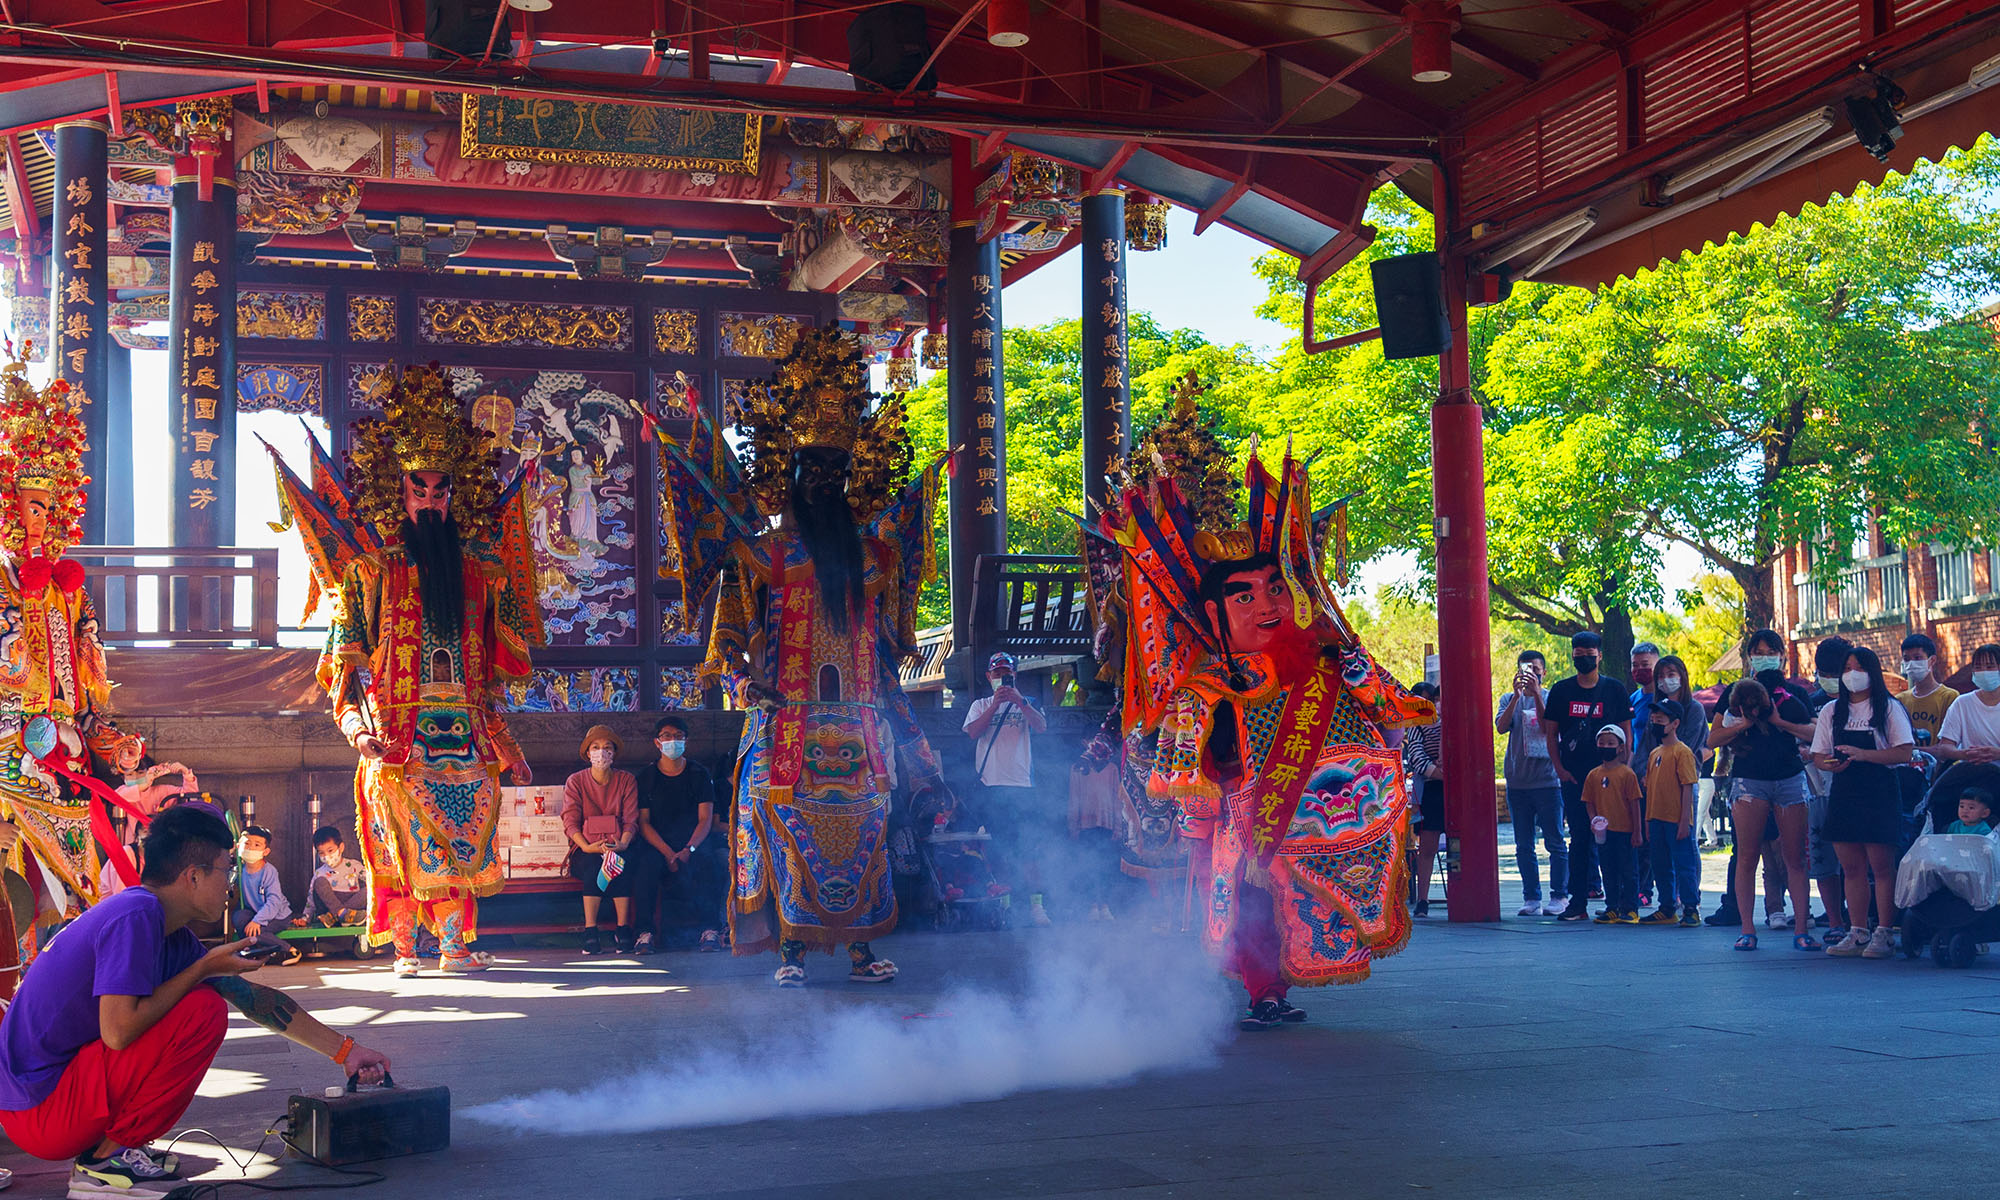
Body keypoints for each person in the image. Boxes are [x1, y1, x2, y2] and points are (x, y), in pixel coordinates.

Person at [665, 330, 951, 987]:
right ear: (792, 475)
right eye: (812, 471)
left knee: (866, 840)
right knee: (784, 833)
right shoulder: (766, 554)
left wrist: (917, 749)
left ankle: (859, 950)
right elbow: (729, 640)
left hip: (859, 726)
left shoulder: (874, 560)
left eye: (835, 472)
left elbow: (884, 663)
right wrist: (745, 683)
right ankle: (792, 952)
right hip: (785, 723)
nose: (824, 483)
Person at [1129, 437, 1432, 1028]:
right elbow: (1179, 758)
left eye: (1273, 588)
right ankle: (1262, 991)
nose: (1265, 604)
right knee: (1249, 908)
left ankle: (1276, 987)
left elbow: (1393, 709)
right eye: (1244, 595)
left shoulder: (1328, 663)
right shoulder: (1210, 684)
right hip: (1248, 817)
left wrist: (1359, 669)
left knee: (1295, 906)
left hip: (1320, 812)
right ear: (1215, 615)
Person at [271, 364, 540, 978]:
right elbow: (348, 661)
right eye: (419, 488)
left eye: (440, 490)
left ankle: (453, 944)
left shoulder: (479, 571)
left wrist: (505, 742)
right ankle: (406, 949)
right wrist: (356, 729)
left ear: (454, 492)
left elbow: (492, 677)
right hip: (399, 733)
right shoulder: (372, 569)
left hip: (467, 735)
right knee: (398, 845)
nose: (430, 499)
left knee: (463, 837)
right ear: (402, 490)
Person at [0, 804, 388, 1200]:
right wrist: (201, 970)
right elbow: (117, 1033)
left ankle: (111, 1151)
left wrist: (346, 1052)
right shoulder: (135, 914)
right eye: (227, 872)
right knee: (203, 1011)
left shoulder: (167, 930)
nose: (230, 886)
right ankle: (104, 1166)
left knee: (202, 1000)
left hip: (48, 1102)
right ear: (193, 876)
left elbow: (254, 1000)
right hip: (39, 1111)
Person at [0, 358, 144, 995]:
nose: (44, 524)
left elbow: (88, 689)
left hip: (65, 757)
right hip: (9, 758)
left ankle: (56, 995)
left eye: (54, 511)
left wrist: (108, 738)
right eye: (33, 508)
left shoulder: (71, 595)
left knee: (73, 892)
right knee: (17, 886)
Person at [1812, 646, 1914, 959]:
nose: (1852, 675)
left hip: (1878, 789)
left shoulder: (1888, 707)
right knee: (1851, 866)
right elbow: (1818, 754)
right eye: (1847, 668)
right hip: (1844, 790)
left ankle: (1885, 931)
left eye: (1859, 667)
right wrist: (1830, 764)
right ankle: (1857, 930)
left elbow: (1904, 752)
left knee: (1881, 866)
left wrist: (1864, 755)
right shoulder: (1831, 710)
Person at [1710, 661, 1819, 951]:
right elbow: (1713, 738)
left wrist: (1779, 722)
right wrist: (1744, 724)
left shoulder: (1792, 696)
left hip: (1789, 778)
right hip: (1749, 780)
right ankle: (1747, 928)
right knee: (1747, 856)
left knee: (1794, 857)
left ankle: (1800, 928)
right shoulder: (1734, 695)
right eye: (1758, 652)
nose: (1753, 707)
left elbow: (1815, 733)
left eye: (1770, 652)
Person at [1544, 631, 1632, 921]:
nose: (1584, 657)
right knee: (1580, 838)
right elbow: (1551, 733)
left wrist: (1624, 766)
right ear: (1572, 654)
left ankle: (1620, 902)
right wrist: (1559, 768)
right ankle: (1577, 902)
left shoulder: (1615, 689)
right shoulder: (1561, 690)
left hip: (1611, 778)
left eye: (1589, 652)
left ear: (1600, 655)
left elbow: (1626, 730)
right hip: (1574, 777)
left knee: (1616, 838)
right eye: (1578, 652)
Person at [963, 651, 1053, 926]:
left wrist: (1019, 701)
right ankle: (1006, 906)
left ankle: (1036, 906)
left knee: (1030, 850)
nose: (1002, 678)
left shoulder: (1029, 703)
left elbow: (1041, 727)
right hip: (992, 787)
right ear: (989, 677)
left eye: (1007, 673)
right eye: (997, 673)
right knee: (1000, 851)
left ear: (1015, 675)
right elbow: (972, 732)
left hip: (1023, 786)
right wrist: (995, 705)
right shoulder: (980, 704)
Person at [626, 715, 723, 955]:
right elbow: (644, 822)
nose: (673, 741)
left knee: (710, 862)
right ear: (657, 743)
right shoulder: (646, 777)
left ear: (686, 741)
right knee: (645, 866)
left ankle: (710, 929)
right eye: (667, 736)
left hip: (694, 842)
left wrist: (688, 849)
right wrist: (668, 852)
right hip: (658, 844)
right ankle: (644, 933)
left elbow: (705, 819)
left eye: (678, 736)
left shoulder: (699, 774)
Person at [1632, 654, 1707, 912]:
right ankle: (1667, 901)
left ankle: (1690, 900)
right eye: (1661, 676)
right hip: (1654, 788)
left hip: (1683, 785)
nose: (1666, 680)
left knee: (1686, 844)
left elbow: (1692, 749)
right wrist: (1641, 774)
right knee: (1660, 848)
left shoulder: (1694, 709)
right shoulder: (1654, 709)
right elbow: (1644, 748)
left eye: (1671, 674)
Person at [1496, 650, 1567, 917]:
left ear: (1544, 672)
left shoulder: (1551, 697)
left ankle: (1560, 895)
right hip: (1518, 782)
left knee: (1555, 841)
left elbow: (1549, 727)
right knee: (1524, 845)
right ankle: (1531, 897)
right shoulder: (1507, 698)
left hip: (1548, 781)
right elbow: (1501, 727)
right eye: (1526, 669)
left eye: (1536, 669)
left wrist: (1536, 694)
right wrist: (1517, 696)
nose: (1531, 674)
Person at [563, 725, 638, 955]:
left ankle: (623, 929)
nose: (601, 752)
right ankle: (590, 931)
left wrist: (623, 843)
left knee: (618, 863)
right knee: (593, 866)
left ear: (614, 753)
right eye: (595, 747)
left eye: (607, 748)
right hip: (585, 848)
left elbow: (631, 819)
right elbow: (570, 820)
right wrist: (586, 846)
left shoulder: (626, 780)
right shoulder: (576, 781)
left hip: (619, 844)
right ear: (587, 753)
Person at [1640, 700, 1702, 926]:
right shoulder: (1655, 752)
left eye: (1661, 720)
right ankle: (1666, 907)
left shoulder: (1682, 752)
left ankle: (1690, 908)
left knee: (1684, 864)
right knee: (1660, 865)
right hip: (1656, 819)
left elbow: (1688, 785)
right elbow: (1650, 790)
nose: (1655, 723)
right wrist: (1648, 820)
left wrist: (1685, 820)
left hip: (1676, 820)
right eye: (1653, 720)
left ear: (1675, 723)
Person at [1583, 725, 1643, 924]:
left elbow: (1635, 804)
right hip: (1604, 833)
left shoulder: (1627, 774)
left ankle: (1631, 908)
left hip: (1625, 831)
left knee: (1628, 870)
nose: (1605, 746)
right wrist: (1594, 820)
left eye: (1610, 743)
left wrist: (1637, 831)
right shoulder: (1593, 775)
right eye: (1602, 743)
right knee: (1608, 870)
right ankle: (1612, 906)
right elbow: (1589, 801)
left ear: (1620, 747)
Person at [1403, 681, 1445, 918]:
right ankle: (1423, 899)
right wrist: (1440, 774)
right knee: (1427, 846)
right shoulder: (1417, 725)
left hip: (1458, 787)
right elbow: (1418, 758)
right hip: (1432, 788)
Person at [232, 826, 301, 967]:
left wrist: (258, 920)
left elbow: (274, 901)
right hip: (254, 911)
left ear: (265, 851)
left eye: (257, 845)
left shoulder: (269, 872)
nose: (251, 848)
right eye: (247, 844)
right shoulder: (239, 870)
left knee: (255, 932)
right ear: (239, 846)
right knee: (238, 918)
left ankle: (290, 949)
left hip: (277, 915)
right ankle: (256, 950)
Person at [1935, 643, 2000, 765]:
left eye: (1990, 667)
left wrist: (1997, 754)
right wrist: (1966, 754)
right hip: (1972, 775)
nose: (1984, 672)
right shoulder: (1962, 703)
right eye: (1978, 667)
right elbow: (1944, 747)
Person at [1899, 633, 1959, 746]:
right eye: (1906, 659)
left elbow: (1949, 743)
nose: (1911, 663)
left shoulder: (1949, 697)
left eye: (1917, 658)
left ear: (1932, 660)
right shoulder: (1900, 700)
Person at [300, 827, 365, 928]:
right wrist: (306, 918)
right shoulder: (319, 872)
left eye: (330, 850)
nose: (326, 856)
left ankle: (333, 917)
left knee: (371, 890)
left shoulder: (354, 865)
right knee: (320, 882)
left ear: (341, 847)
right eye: (321, 853)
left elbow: (371, 881)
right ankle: (340, 913)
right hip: (327, 906)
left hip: (351, 902)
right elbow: (311, 899)